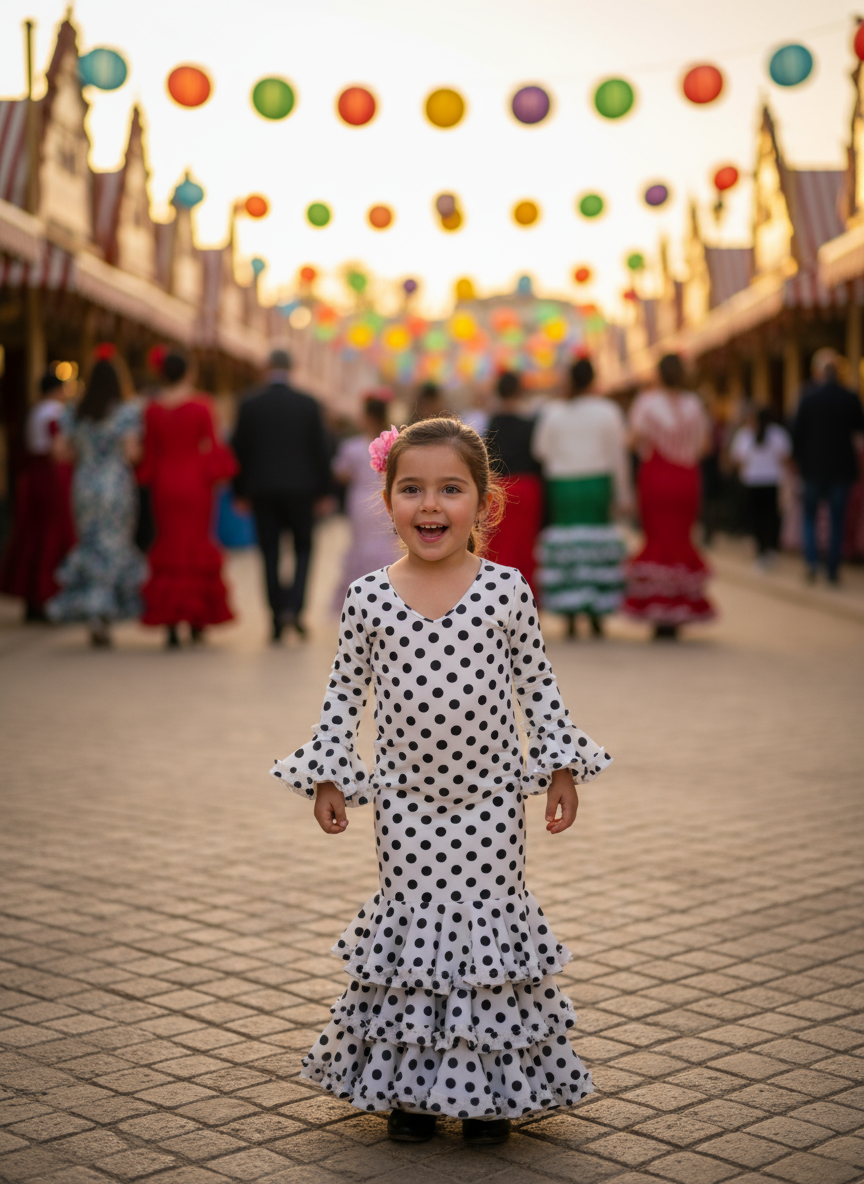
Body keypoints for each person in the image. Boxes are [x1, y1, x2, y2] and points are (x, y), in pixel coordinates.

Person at [270, 415, 610, 1147]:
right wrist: (329, 777)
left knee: (488, 933)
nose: (431, 506)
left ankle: (489, 1093)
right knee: (415, 932)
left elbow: (539, 689)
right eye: (413, 489)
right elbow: (341, 700)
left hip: (490, 804)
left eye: (450, 490)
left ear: (483, 503)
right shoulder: (368, 599)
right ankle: (412, 1091)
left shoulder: (506, 592)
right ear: (386, 500)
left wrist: (560, 766)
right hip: (405, 806)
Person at [138, 352, 237, 648]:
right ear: (188, 373)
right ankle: (196, 620)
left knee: (169, 545)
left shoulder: (152, 409)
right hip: (196, 484)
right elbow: (213, 445)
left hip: (165, 484)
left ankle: (170, 622)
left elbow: (149, 452)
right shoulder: (202, 405)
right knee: (196, 546)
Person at [46, 354, 145, 647]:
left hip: (85, 485)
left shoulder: (76, 411)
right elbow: (132, 453)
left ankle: (92, 611)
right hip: (115, 486)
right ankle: (107, 610)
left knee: (90, 544)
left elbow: (59, 451)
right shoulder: (126, 412)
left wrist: (85, 455)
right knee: (113, 545)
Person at [231, 349, 331, 641]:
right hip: (302, 491)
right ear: (293, 367)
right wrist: (324, 491)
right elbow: (320, 450)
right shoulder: (309, 404)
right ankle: (294, 609)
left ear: (266, 367)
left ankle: (275, 615)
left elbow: (240, 450)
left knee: (269, 553)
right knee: (303, 549)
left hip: (262, 491)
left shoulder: (249, 404)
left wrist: (240, 491)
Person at [531, 359, 631, 638]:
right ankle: (597, 611)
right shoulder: (607, 411)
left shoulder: (553, 412)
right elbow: (617, 456)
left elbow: (540, 450)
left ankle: (570, 613)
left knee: (568, 545)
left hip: (563, 484)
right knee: (595, 543)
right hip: (597, 483)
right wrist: (624, 493)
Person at [622, 353, 715, 639]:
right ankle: (679, 609)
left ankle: (659, 610)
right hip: (686, 479)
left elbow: (632, 440)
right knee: (680, 540)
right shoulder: (694, 404)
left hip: (656, 477)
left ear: (658, 375)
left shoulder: (646, 403)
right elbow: (705, 446)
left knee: (657, 540)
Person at [0, 369, 75, 621]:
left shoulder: (33, 412)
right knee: (52, 534)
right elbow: (57, 450)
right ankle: (47, 598)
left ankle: (33, 599)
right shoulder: (54, 412)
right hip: (50, 479)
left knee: (33, 534)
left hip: (32, 479)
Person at [792, 348, 864, 584]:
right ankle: (832, 568)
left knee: (810, 517)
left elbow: (796, 433)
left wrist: (798, 461)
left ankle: (812, 562)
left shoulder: (808, 397)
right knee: (836, 520)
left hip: (813, 469)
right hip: (840, 470)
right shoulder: (849, 398)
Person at [330, 391, 401, 612]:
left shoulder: (352, 446)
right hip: (386, 498)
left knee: (361, 545)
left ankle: (362, 595)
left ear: (367, 416)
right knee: (387, 544)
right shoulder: (395, 443)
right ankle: (388, 591)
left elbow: (340, 473)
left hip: (360, 499)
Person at [484, 371, 543, 598]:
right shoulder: (531, 422)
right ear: (520, 391)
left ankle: (499, 600)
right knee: (525, 548)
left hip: (500, 490)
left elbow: (487, 460)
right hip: (528, 489)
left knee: (499, 548)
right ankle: (526, 601)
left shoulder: (492, 423)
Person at [729, 405, 791, 568]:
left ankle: (761, 549)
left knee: (757, 517)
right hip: (772, 480)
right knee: (771, 515)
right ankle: (771, 548)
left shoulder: (746, 434)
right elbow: (785, 457)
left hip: (753, 481)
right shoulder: (777, 434)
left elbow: (737, 458)